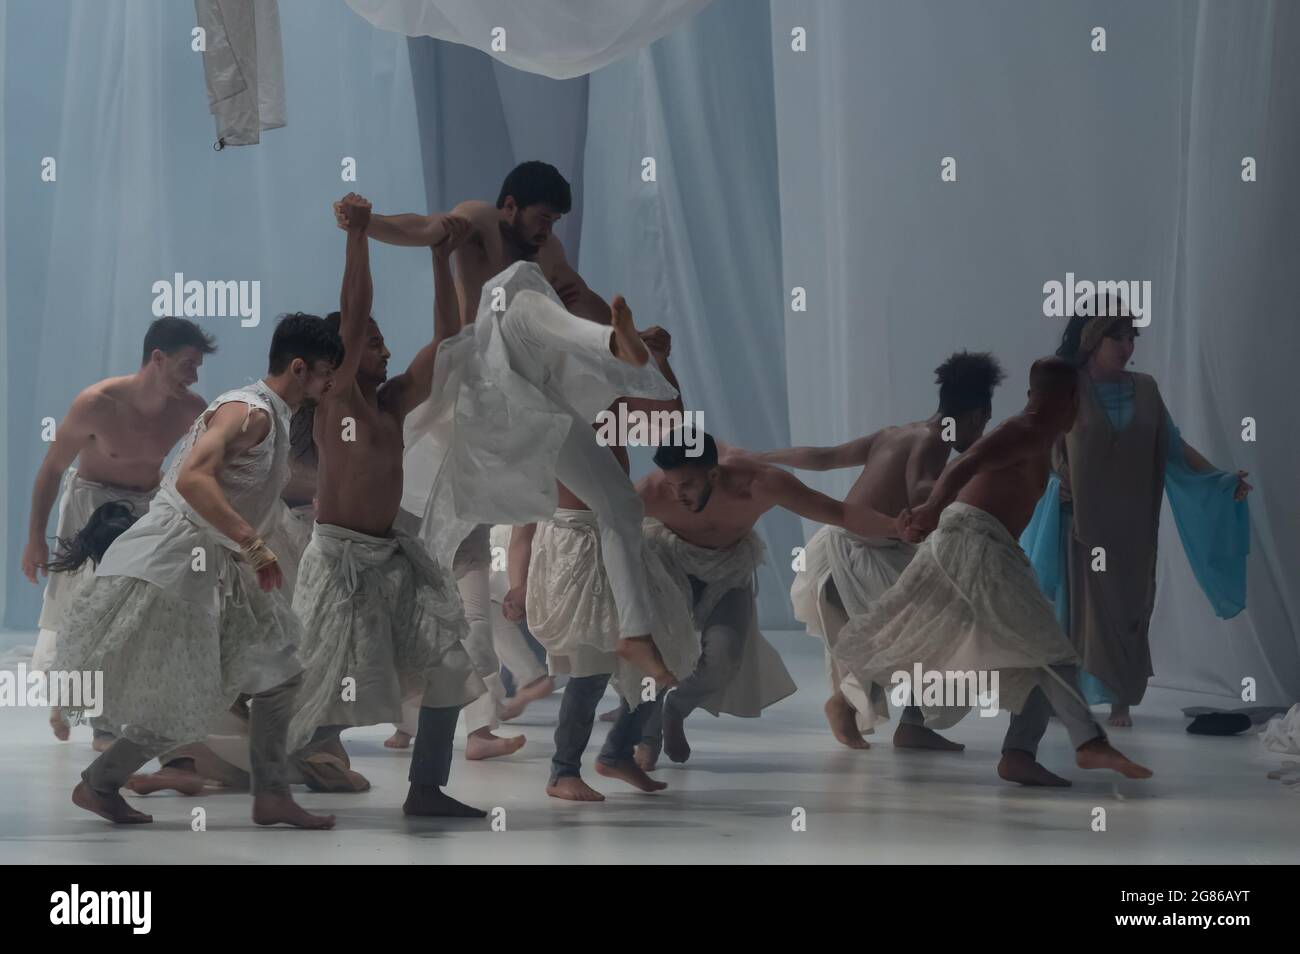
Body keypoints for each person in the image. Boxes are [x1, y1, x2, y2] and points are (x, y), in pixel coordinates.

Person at [57, 311, 344, 827]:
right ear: (300, 368)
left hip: (219, 567)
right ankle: (102, 783)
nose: (330, 385)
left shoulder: (273, 415)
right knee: (186, 693)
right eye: (327, 373)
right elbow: (193, 479)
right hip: (177, 563)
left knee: (276, 675)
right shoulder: (248, 412)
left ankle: (269, 794)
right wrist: (253, 543)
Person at [835, 358, 1152, 786]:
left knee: (960, 638)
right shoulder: (1021, 430)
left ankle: (1018, 752)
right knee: (1047, 649)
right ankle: (1081, 743)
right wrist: (929, 510)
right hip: (972, 541)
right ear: (1071, 398)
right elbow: (961, 467)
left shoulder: (1043, 437)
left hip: (987, 545)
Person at [286, 195, 488, 816]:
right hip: (341, 562)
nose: (384, 350)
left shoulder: (394, 401)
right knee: (326, 684)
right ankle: (278, 767)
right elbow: (354, 311)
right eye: (372, 344)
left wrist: (440, 259)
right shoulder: (337, 399)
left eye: (382, 343)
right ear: (340, 361)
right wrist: (359, 236)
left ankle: (425, 789)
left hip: (392, 561)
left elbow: (450, 344)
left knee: (449, 667)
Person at [1022, 295, 1252, 726]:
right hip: (1080, 524)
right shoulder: (1065, 385)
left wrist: (1220, 480)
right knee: (1080, 613)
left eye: (1132, 336)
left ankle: (1120, 699)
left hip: (1133, 528)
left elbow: (1174, 448)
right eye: (1117, 336)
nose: (1127, 346)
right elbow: (1031, 440)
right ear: (1093, 338)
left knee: (1129, 609)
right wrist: (1053, 482)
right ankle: (1066, 696)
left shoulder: (1145, 389)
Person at [757, 352, 1003, 749]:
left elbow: (825, 457)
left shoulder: (895, 433)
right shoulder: (934, 441)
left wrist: (762, 457)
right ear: (977, 415)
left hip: (849, 548)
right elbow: (920, 490)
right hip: (859, 554)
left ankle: (912, 725)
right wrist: (971, 483)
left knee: (929, 631)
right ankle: (847, 703)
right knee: (946, 630)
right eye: (985, 422)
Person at [635, 431, 898, 766]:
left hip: (728, 570)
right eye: (672, 485)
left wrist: (896, 527)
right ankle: (647, 734)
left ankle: (675, 708)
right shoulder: (651, 491)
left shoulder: (760, 483)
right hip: (668, 565)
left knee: (724, 658)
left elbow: (839, 513)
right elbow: (604, 524)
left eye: (686, 484)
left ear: (714, 474)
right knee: (659, 653)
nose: (678, 494)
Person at [23, 317, 213, 743]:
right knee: (82, 609)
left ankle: (110, 718)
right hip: (88, 506)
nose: (195, 375)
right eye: (188, 363)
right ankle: (78, 703)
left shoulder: (192, 411)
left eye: (198, 366)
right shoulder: (96, 403)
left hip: (146, 511)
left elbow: (207, 471)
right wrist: (35, 537)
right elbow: (51, 470)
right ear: (157, 358)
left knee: (134, 612)